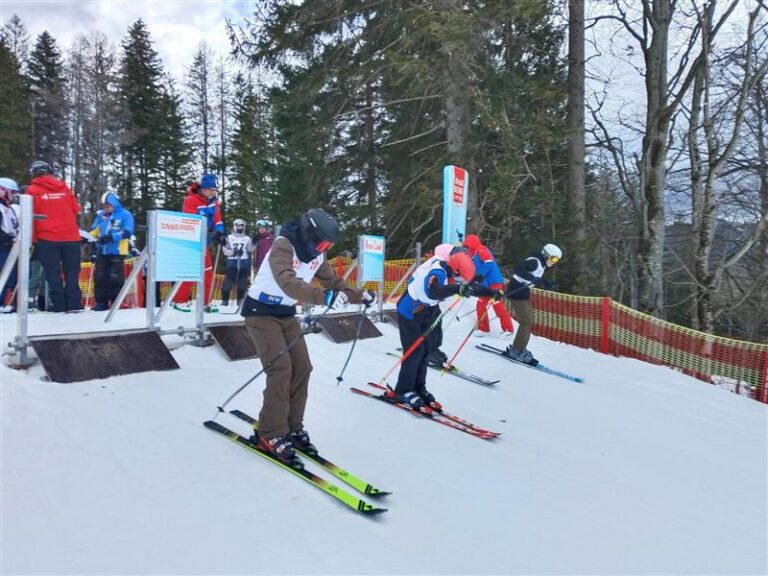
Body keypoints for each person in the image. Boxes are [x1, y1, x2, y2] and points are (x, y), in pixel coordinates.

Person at [240, 208, 375, 467]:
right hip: (260, 312)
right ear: (307, 233)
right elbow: (286, 281)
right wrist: (321, 297)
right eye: (321, 242)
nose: (322, 248)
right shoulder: (283, 246)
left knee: (302, 367)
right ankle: (269, 432)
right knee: (280, 369)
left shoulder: (315, 254)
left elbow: (334, 282)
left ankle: (292, 426)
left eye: (327, 245)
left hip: (286, 314)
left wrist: (360, 295)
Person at [392, 243, 499, 411]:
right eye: (458, 279)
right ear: (454, 269)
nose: (458, 282)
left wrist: (491, 293)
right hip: (410, 310)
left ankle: (419, 387)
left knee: (427, 350)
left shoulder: (453, 265)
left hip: (428, 309)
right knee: (414, 352)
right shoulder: (438, 270)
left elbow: (468, 287)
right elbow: (433, 291)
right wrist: (458, 288)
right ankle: (403, 390)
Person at [25, 161, 83, 313]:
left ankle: (58, 304)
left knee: (52, 272)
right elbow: (75, 209)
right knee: (72, 271)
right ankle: (74, 304)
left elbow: (30, 216)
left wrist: (32, 239)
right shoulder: (64, 188)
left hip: (47, 237)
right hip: (70, 236)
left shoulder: (32, 190)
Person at [172, 173, 225, 313]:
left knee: (207, 272)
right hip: (192, 242)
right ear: (202, 189)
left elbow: (218, 219)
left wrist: (219, 231)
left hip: (204, 243)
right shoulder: (191, 200)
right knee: (190, 271)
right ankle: (179, 300)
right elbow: (190, 220)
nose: (212, 192)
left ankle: (206, 302)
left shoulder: (214, 201)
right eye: (210, 189)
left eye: (214, 190)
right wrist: (206, 229)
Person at [503, 243, 562, 366]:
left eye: (557, 260)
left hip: (523, 293)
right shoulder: (535, 261)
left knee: (529, 321)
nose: (555, 262)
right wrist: (532, 278)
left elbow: (536, 278)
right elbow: (518, 269)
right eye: (554, 259)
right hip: (516, 292)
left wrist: (547, 283)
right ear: (547, 255)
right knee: (526, 321)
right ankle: (517, 350)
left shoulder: (541, 264)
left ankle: (519, 348)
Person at [89, 192, 135, 311]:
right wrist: (86, 238)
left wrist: (111, 237)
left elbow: (127, 231)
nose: (105, 208)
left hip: (117, 251)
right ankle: (101, 303)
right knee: (99, 277)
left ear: (115, 204)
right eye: (104, 205)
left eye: (108, 205)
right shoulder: (102, 216)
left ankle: (116, 302)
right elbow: (95, 230)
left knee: (115, 277)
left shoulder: (125, 215)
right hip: (102, 251)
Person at [463, 234, 514, 337]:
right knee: (480, 305)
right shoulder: (471, 255)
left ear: (473, 244)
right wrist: (473, 279)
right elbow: (475, 270)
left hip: (494, 282)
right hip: (485, 285)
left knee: (496, 304)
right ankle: (483, 329)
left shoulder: (481, 249)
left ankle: (509, 330)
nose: (467, 248)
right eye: (466, 246)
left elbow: (489, 263)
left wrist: (480, 275)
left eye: (468, 246)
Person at [221, 218, 254, 306]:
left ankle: (240, 299)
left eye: (241, 226)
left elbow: (250, 250)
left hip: (244, 261)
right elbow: (225, 250)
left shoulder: (247, 238)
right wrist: (232, 252)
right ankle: (225, 300)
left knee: (242, 281)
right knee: (229, 280)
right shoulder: (229, 237)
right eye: (238, 225)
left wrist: (254, 243)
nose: (240, 227)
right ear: (235, 226)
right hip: (232, 261)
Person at [0, 178, 19, 312]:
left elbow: (13, 226)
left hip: (9, 247)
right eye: (11, 191)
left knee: (8, 277)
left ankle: (3, 303)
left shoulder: (9, 208)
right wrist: (7, 238)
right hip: (2, 246)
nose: (13, 195)